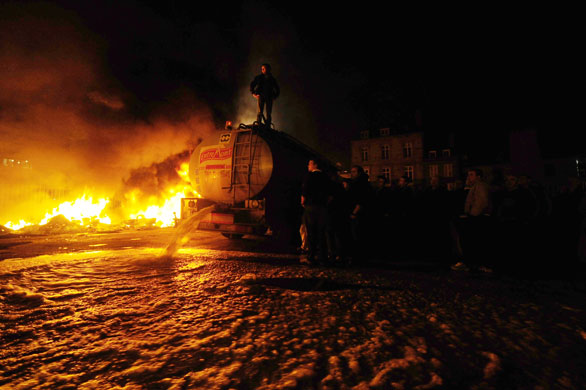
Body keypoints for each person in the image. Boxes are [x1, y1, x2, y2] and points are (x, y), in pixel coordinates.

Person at [451, 169, 493, 272]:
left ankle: (476, 264)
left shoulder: (480, 186)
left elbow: (481, 202)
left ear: (478, 176)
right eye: (468, 175)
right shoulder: (475, 187)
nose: (469, 177)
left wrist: (471, 215)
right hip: (475, 217)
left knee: (475, 241)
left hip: (476, 218)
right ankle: (474, 263)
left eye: (471, 175)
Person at [300, 159, 331, 265]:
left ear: (315, 165)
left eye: (310, 164)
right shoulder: (326, 177)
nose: (308, 165)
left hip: (311, 207)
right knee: (322, 233)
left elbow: (304, 191)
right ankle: (323, 258)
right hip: (322, 207)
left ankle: (311, 256)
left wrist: (304, 202)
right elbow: (330, 194)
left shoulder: (309, 177)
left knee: (311, 232)